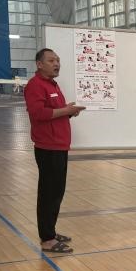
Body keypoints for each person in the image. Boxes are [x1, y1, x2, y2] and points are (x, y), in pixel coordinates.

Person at [24, 48, 85, 253]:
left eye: (58, 60)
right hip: (48, 148)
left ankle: (50, 230)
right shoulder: (35, 85)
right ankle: (47, 239)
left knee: (56, 192)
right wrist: (66, 110)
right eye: (51, 60)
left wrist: (68, 111)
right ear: (39, 64)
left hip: (59, 146)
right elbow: (38, 113)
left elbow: (54, 112)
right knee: (48, 194)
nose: (56, 63)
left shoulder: (53, 85)